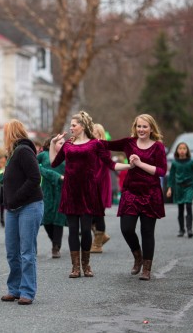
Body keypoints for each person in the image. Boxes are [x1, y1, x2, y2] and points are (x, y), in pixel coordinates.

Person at [50, 112, 131, 278]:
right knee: (73, 230)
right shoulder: (67, 145)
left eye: (74, 125)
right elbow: (54, 163)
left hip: (88, 191)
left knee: (86, 230)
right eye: (71, 125)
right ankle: (75, 267)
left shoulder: (96, 144)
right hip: (70, 191)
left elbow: (111, 164)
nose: (71, 128)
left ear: (83, 126)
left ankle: (86, 265)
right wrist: (52, 144)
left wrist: (130, 166)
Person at [100, 113, 167, 281]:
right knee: (127, 229)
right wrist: (83, 139)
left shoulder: (158, 147)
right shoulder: (128, 143)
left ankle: (146, 267)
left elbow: (161, 171)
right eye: (139, 126)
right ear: (135, 127)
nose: (141, 129)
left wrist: (138, 163)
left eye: (145, 126)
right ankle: (137, 256)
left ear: (151, 128)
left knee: (147, 232)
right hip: (131, 192)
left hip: (151, 193)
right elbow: (105, 144)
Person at [0, 119, 43, 305]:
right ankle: (14, 288)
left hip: (29, 206)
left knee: (27, 252)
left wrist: (16, 198)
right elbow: (9, 183)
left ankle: (27, 291)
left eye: (5, 132)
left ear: (11, 133)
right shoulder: (12, 154)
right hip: (13, 208)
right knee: (12, 251)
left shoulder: (24, 151)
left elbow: (34, 177)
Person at [37, 135, 66, 259]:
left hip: (62, 190)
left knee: (58, 219)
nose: (63, 145)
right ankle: (54, 240)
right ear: (51, 144)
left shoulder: (67, 156)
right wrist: (50, 174)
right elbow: (33, 165)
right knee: (47, 218)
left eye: (64, 143)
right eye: (60, 143)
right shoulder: (43, 155)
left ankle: (56, 246)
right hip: (47, 190)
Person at [166, 142, 193, 238]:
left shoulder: (191, 162)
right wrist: (169, 188)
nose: (182, 150)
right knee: (180, 209)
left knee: (188, 206)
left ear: (187, 151)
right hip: (178, 188)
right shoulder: (174, 163)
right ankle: (181, 229)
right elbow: (171, 176)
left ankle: (189, 229)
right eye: (180, 148)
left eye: (184, 148)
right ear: (177, 150)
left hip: (189, 187)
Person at [91, 123, 113, 253]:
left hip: (99, 184)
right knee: (89, 214)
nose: (92, 134)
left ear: (100, 134)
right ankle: (102, 236)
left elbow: (102, 169)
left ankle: (98, 244)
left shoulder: (103, 147)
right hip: (91, 184)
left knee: (98, 214)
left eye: (95, 132)